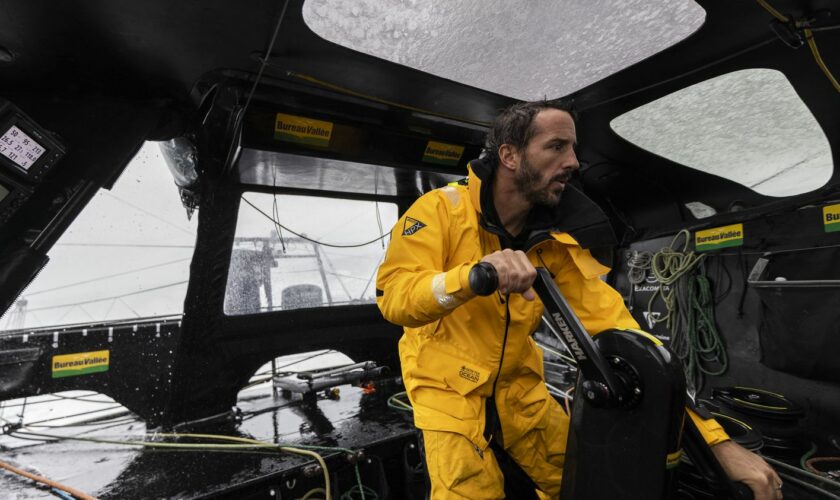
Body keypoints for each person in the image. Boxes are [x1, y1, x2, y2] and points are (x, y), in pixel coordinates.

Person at [376, 100, 782, 499]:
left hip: (522, 390)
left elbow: (620, 330)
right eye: (556, 146)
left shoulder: (555, 237)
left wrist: (714, 442)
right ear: (510, 155)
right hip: (448, 393)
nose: (572, 162)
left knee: (587, 480)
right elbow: (395, 298)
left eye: (573, 149)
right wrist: (474, 276)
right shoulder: (439, 210)